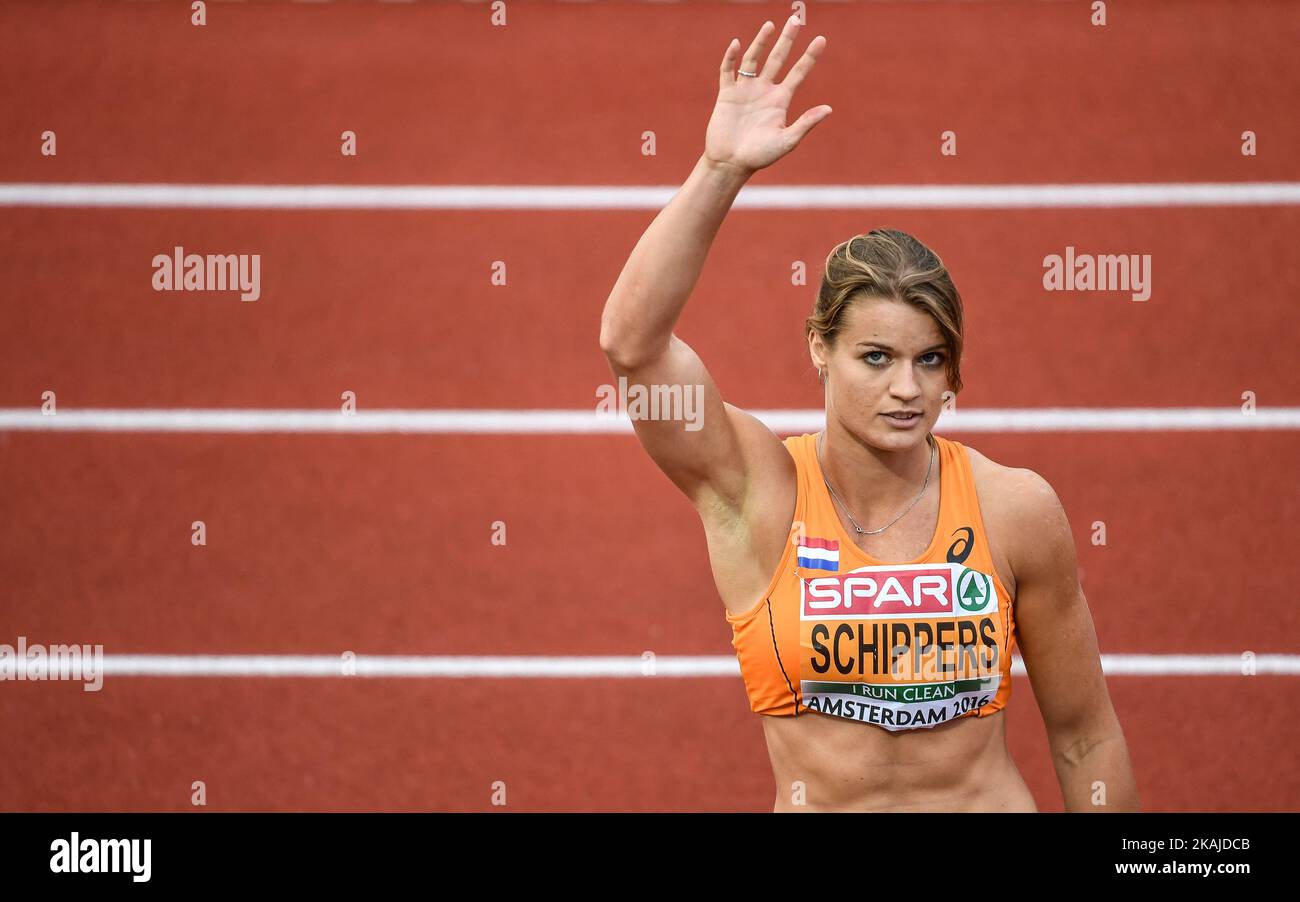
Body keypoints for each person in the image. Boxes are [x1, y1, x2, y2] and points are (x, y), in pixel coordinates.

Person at [599, 15, 1138, 812]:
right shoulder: (756, 490)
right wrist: (719, 169)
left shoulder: (1016, 509)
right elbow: (632, 347)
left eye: (930, 360)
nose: (907, 390)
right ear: (821, 348)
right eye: (876, 358)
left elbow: (1086, 734)